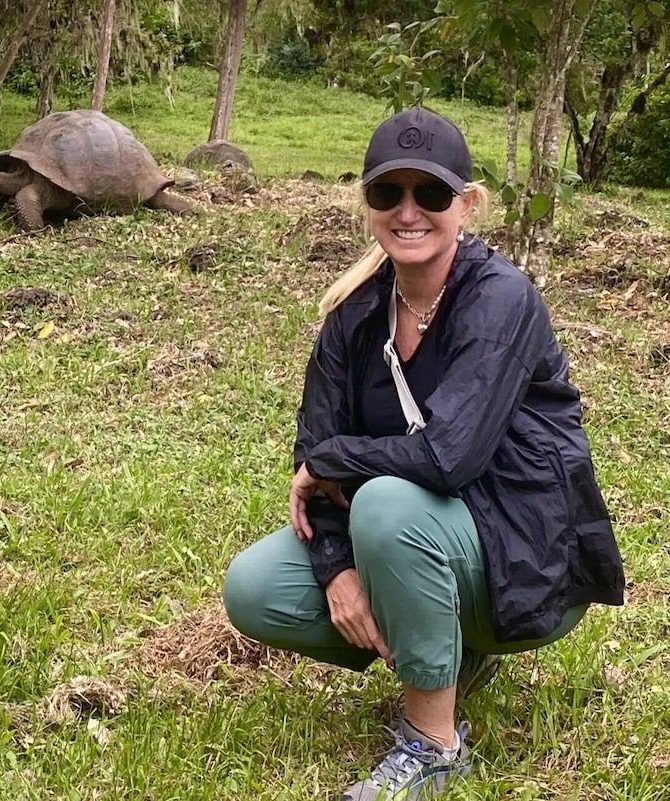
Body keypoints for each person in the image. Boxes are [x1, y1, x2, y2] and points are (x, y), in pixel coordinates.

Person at [222, 106, 625, 801]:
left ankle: (433, 743)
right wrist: (335, 568)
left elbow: (446, 458)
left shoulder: (500, 301)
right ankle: (447, 654)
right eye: (388, 192)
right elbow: (314, 445)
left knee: (384, 502)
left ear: (466, 204)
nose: (408, 212)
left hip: (525, 555)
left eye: (431, 193)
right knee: (255, 589)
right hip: (423, 541)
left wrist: (334, 461)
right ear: (368, 203)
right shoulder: (354, 313)